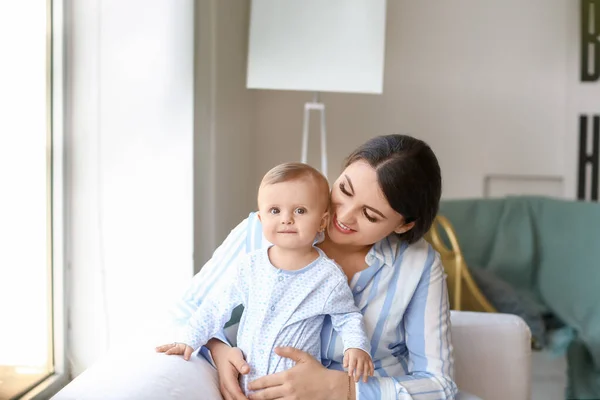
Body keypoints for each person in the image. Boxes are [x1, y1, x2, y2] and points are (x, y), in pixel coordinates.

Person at [168, 134, 457, 400]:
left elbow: (439, 384)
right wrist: (218, 349)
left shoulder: (418, 265)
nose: (342, 216)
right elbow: (188, 308)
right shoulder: (262, 232)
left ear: (404, 224)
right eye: (344, 189)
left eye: (369, 214)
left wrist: (342, 388)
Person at [156, 163, 374, 393]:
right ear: (261, 220)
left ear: (322, 221)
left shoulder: (327, 276)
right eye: (275, 211)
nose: (286, 219)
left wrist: (357, 346)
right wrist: (189, 339)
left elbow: (347, 316)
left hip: (294, 389)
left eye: (300, 211)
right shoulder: (250, 266)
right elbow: (216, 306)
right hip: (245, 382)